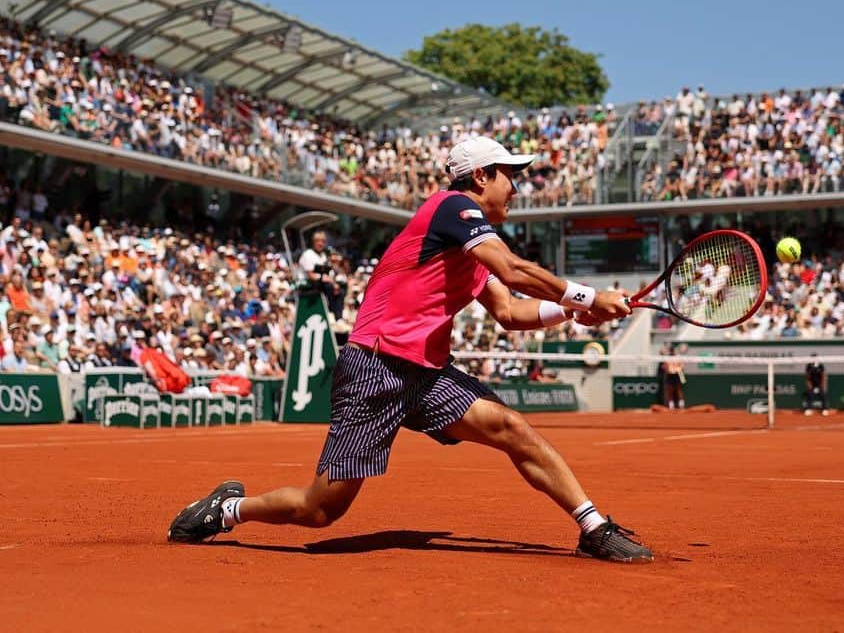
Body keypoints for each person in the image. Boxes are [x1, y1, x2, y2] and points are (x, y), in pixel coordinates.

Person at [167, 136, 653, 563]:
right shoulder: (451, 207)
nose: (516, 188)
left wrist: (573, 312)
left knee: (512, 427)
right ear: (480, 177)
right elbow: (513, 270)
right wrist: (587, 295)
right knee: (320, 510)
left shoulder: (471, 244)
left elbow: (509, 312)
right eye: (510, 176)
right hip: (376, 366)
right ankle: (227, 510)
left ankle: (594, 528)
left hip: (426, 373)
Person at [660, 344, 686, 410]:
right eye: (670, 350)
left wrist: (678, 370)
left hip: (678, 374)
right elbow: (664, 366)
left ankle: (681, 405)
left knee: (679, 390)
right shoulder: (667, 358)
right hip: (670, 375)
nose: (671, 351)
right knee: (670, 391)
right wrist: (667, 369)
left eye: (672, 350)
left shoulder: (678, 357)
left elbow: (682, 367)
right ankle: (671, 406)